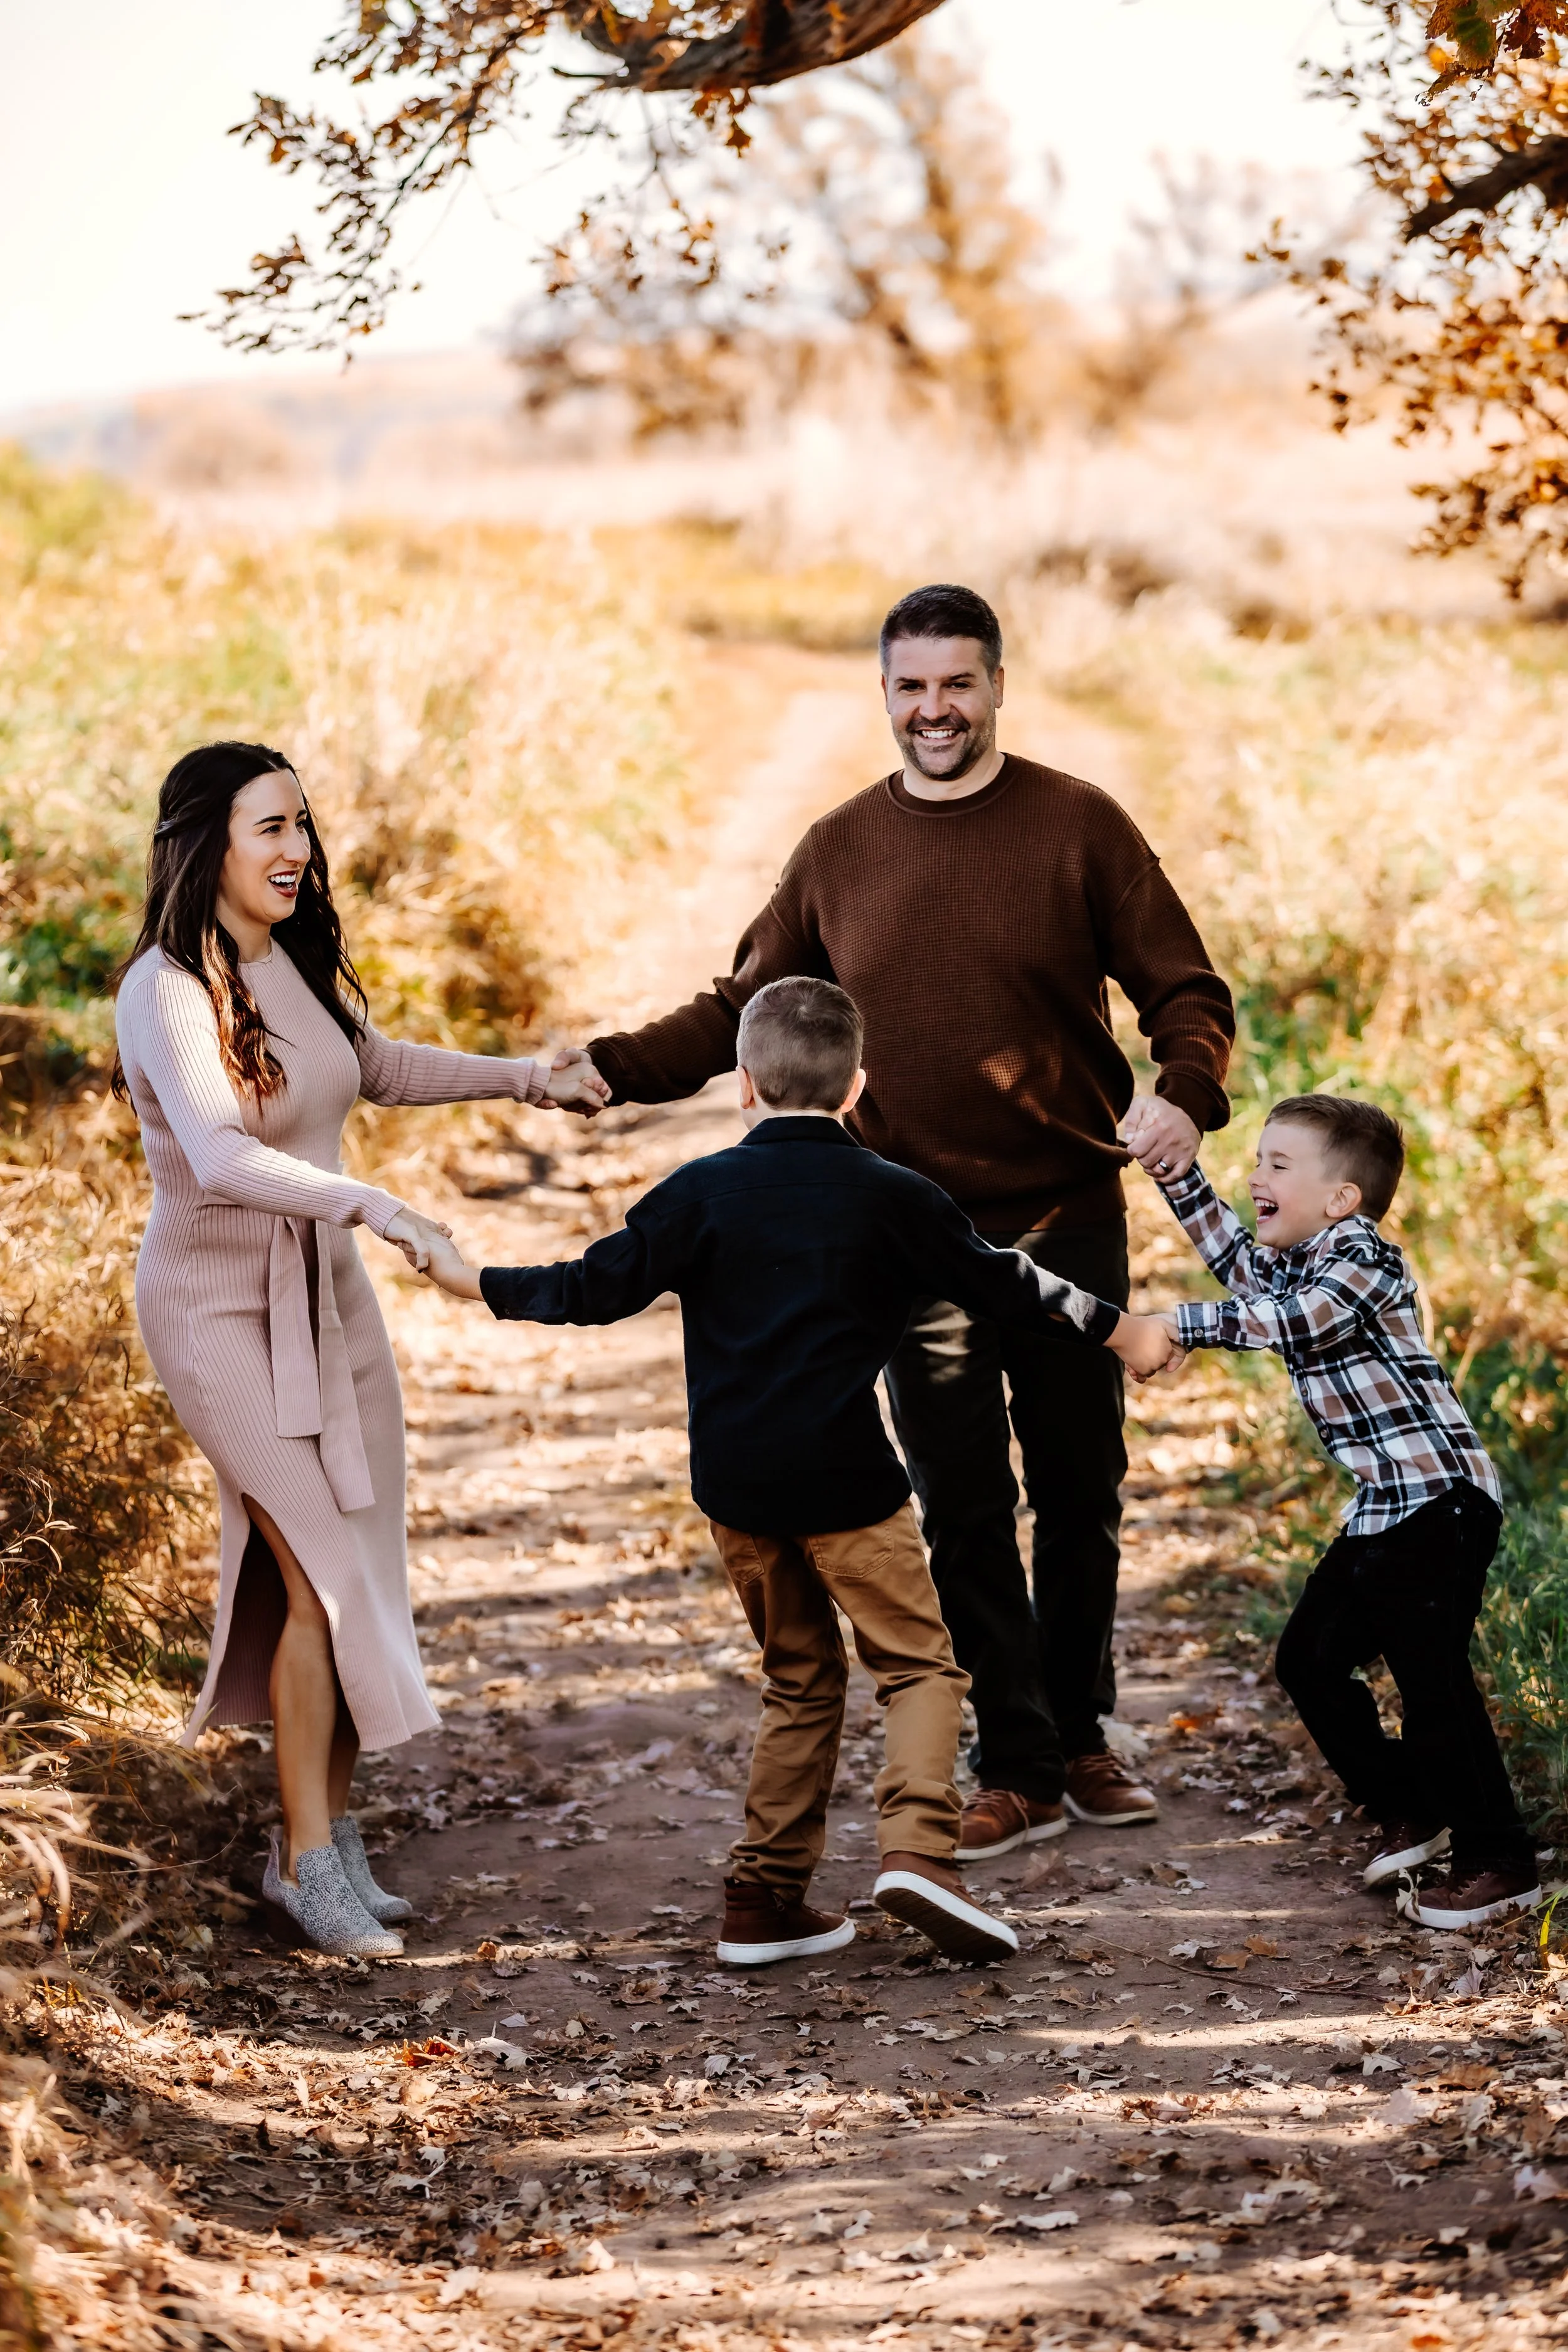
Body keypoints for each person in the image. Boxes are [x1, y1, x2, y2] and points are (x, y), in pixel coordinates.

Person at [571, 584, 1234, 1858]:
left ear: (995, 687)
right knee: (962, 1498)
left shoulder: (1077, 825)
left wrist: (1185, 1095)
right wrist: (606, 1068)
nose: (934, 709)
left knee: (1078, 1482)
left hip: (1063, 1211)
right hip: (910, 1232)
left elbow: (1181, 985)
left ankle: (1080, 1728)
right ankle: (1021, 1761)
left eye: (956, 684)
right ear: (883, 696)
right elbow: (735, 1012)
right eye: (910, 687)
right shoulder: (834, 850)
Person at [418, 977, 1176, 1964]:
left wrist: (467, 1275)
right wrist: (1120, 1328)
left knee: (801, 1679)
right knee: (920, 1668)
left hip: (736, 1488)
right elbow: (1006, 1280)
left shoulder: (698, 1194)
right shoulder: (896, 1195)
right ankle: (919, 1853)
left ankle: (764, 1897)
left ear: (742, 1085)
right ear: (858, 1086)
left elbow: (589, 1287)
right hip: (847, 1483)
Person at [112, 740, 608, 1958]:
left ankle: (314, 1836)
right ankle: (311, 1868)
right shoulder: (166, 986)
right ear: (203, 844)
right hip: (217, 1307)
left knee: (349, 1567)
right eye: (268, 828)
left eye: (301, 826)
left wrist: (525, 1083)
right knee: (321, 1575)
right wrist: (375, 1207)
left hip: (324, 1296)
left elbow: (368, 1068)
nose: (297, 850)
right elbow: (223, 1157)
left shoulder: (287, 960)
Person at [1117, 1093, 1539, 1931]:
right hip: (1385, 1504)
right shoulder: (1296, 1257)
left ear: (1342, 1198)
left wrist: (1167, 1323)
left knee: (1432, 1678)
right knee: (1309, 1657)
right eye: (1258, 1161)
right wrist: (1174, 1166)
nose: (1256, 1176)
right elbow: (1239, 1263)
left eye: (1278, 1165)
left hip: (1439, 1498)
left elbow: (1289, 1321)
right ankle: (1412, 1804)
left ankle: (1500, 1858)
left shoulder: (1361, 1259)